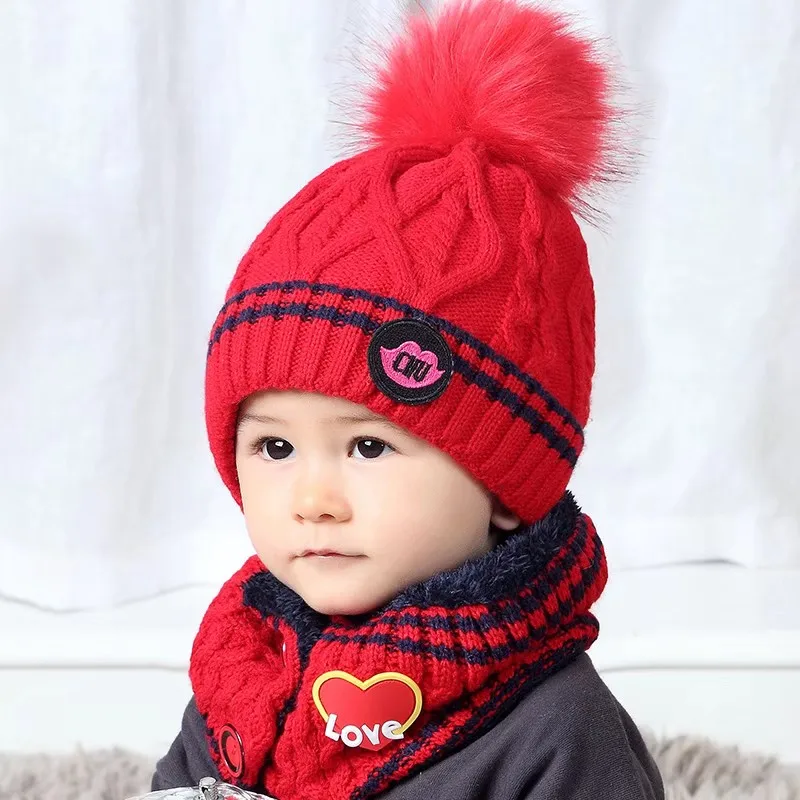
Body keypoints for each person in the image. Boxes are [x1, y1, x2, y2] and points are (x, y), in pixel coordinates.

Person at [152, 0, 664, 797]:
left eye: (368, 445)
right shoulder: (248, 666)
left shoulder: (554, 730)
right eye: (275, 447)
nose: (314, 501)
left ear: (504, 487)